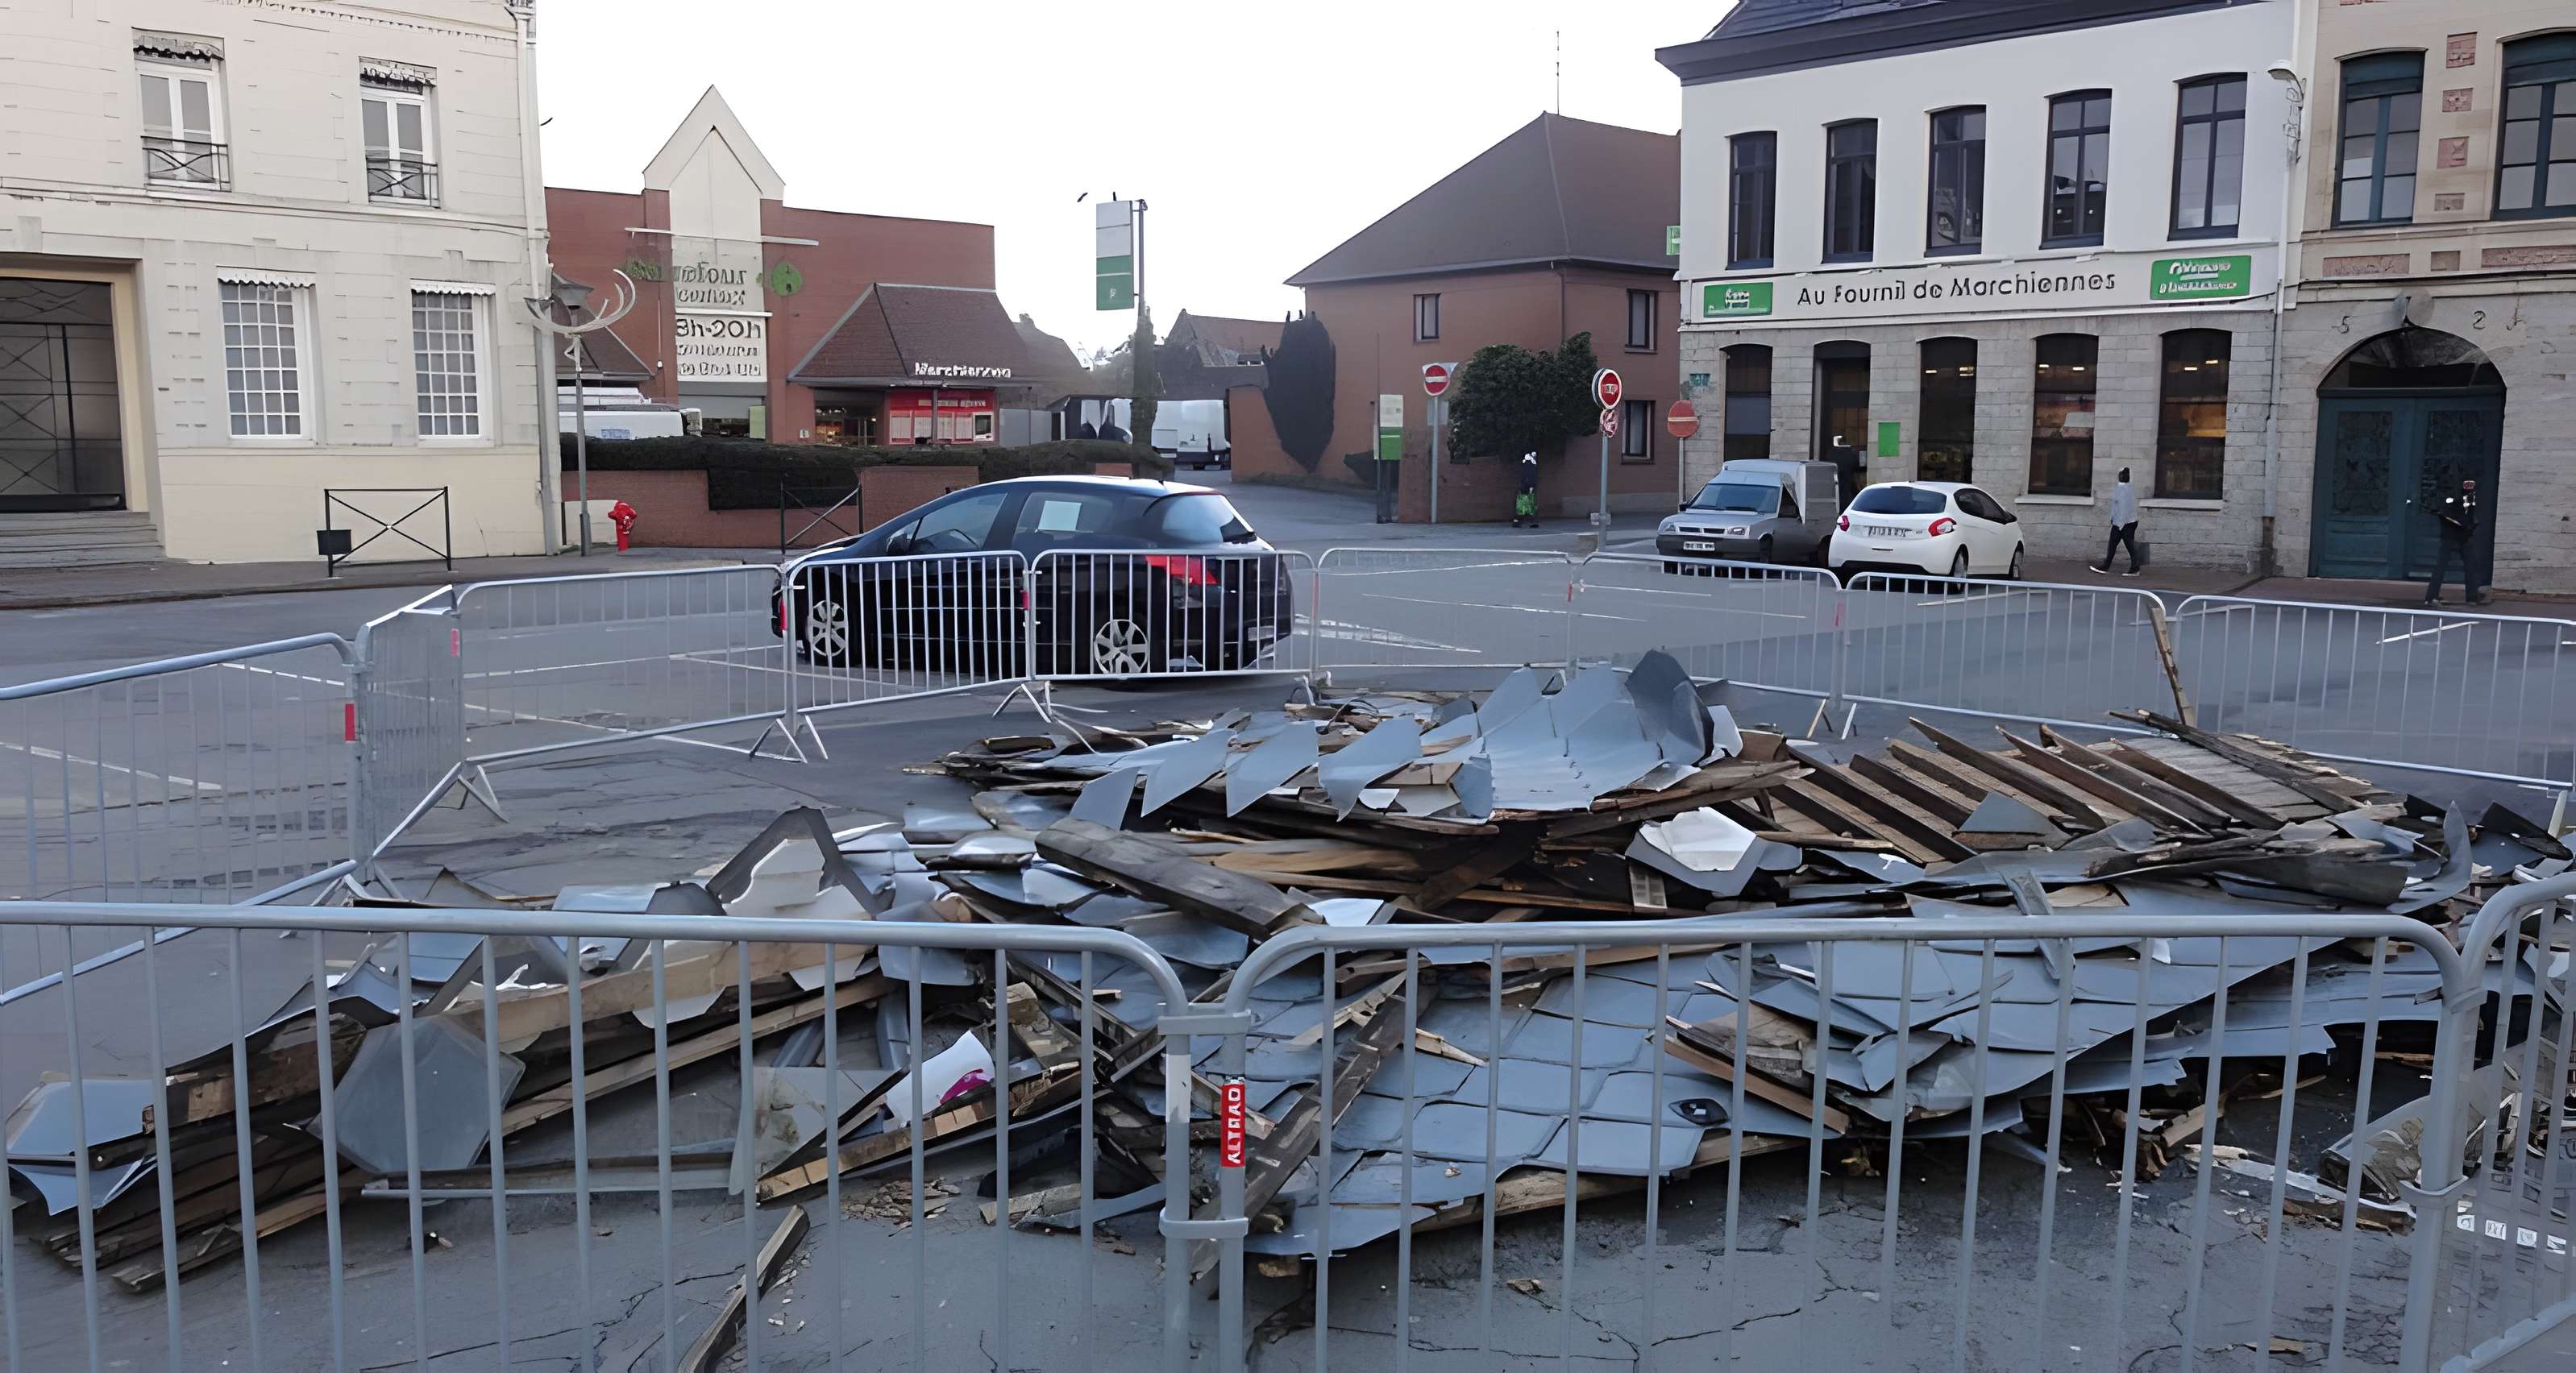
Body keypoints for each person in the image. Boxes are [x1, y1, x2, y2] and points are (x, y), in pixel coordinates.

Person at [2427, 477, 2486, 605]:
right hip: (2454, 535)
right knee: (2445, 566)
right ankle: (2432, 597)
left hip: (2461, 535)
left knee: (2469, 566)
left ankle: (2471, 597)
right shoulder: (2450, 498)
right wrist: (2467, 525)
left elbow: (2469, 511)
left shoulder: (2465, 497)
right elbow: (2449, 514)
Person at [2091, 467, 2143, 576]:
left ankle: (2134, 568)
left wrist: (2120, 524)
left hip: (2124, 523)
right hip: (2125, 521)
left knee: (2127, 545)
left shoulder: (2124, 488)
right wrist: (2113, 518)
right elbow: (2117, 505)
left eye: (2122, 475)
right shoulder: (2126, 487)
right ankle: (2108, 566)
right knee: (2115, 544)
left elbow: (2124, 507)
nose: (2120, 477)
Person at [1513, 452, 1540, 528]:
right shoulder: (1531, 465)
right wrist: (1531, 486)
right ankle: (1529, 521)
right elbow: (1531, 477)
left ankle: (1518, 521)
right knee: (1528, 506)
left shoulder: (1526, 465)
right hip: (1527, 488)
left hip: (1524, 488)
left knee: (1524, 506)